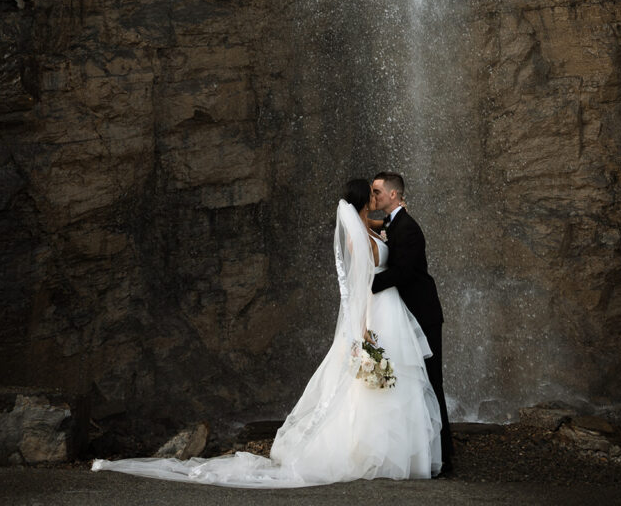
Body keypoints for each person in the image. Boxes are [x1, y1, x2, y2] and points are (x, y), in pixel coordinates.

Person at [92, 178, 441, 486]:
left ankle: (392, 451)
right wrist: (362, 331)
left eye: (381, 192)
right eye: (373, 193)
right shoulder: (359, 237)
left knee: (386, 384)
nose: (377, 197)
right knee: (368, 385)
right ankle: (370, 451)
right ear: (366, 199)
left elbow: (386, 250)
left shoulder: (373, 229)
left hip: (389, 312)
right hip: (375, 314)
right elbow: (361, 285)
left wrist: (391, 224)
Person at [371, 171, 454, 477]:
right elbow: (382, 230)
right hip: (406, 318)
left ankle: (445, 458)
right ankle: (419, 451)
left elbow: (404, 272)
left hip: (424, 315)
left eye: (378, 192)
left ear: (394, 195)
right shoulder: (395, 224)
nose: (375, 197)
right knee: (409, 384)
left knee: (433, 383)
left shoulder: (408, 228)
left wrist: (368, 283)